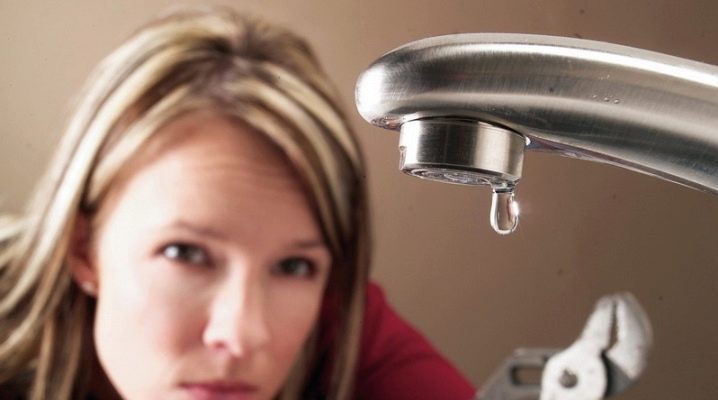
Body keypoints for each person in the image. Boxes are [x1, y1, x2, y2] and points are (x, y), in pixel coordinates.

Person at [0, 7, 475, 400]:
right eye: (184, 253)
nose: (243, 334)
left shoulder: (340, 319)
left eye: (293, 266)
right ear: (82, 248)